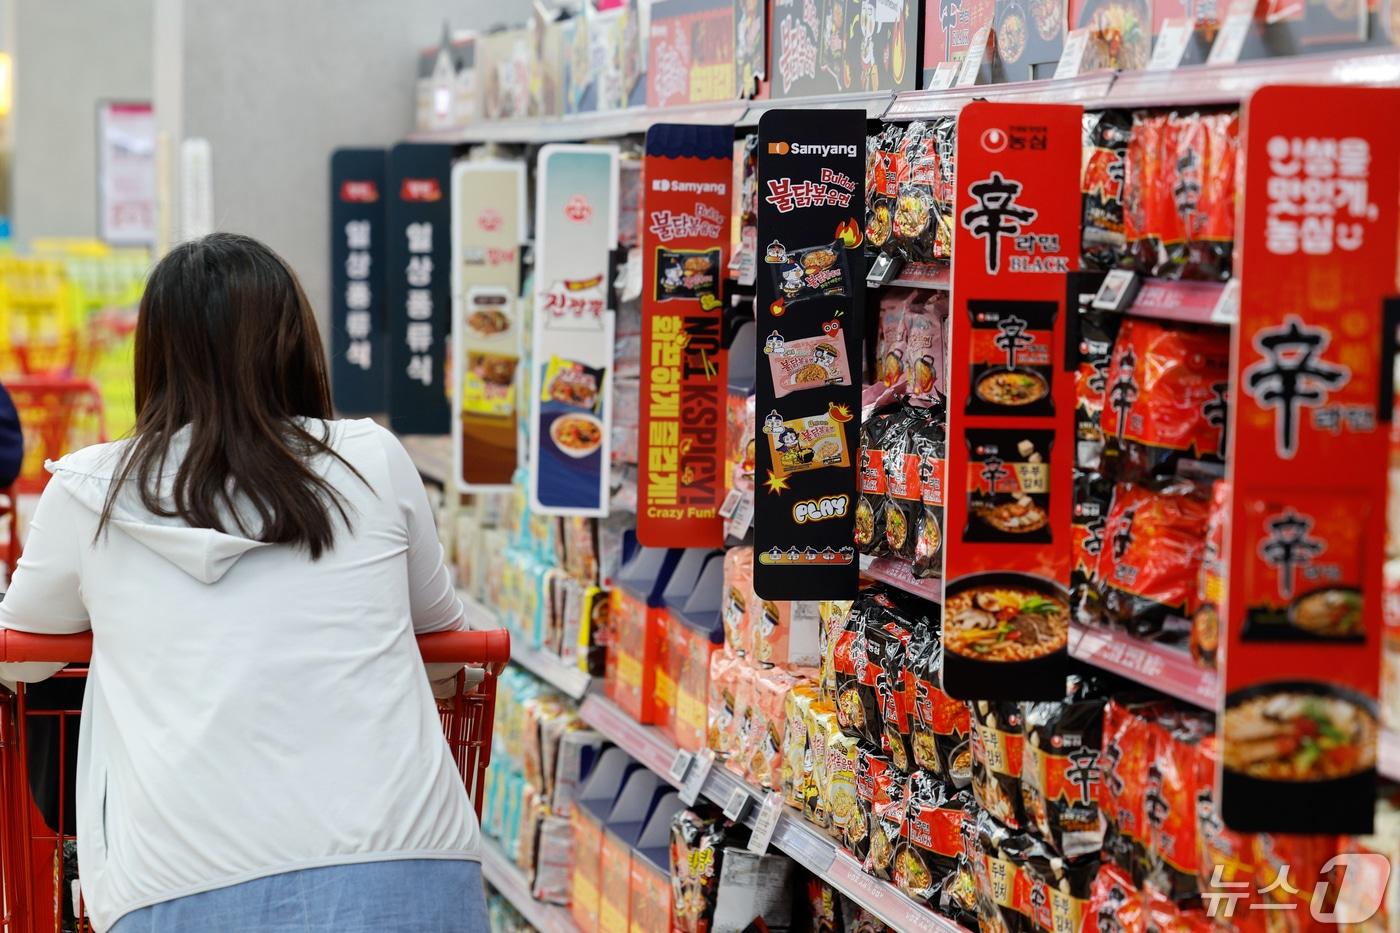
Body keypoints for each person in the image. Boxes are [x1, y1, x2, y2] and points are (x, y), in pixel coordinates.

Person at [0, 233, 485, 933]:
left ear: (156, 357)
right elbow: (445, 634)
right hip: (406, 857)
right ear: (295, 345)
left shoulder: (91, 489)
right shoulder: (370, 459)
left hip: (176, 881)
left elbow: (25, 653)